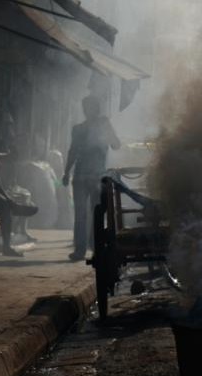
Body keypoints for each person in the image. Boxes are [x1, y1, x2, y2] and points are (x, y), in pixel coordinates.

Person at [62, 95, 121, 261]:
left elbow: (116, 145)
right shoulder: (79, 129)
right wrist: (66, 172)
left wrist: (108, 133)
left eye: (91, 107)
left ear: (96, 109)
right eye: (86, 107)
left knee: (95, 214)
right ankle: (82, 249)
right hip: (82, 176)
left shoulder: (103, 125)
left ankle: (94, 248)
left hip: (96, 176)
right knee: (83, 214)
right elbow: (72, 151)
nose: (89, 110)